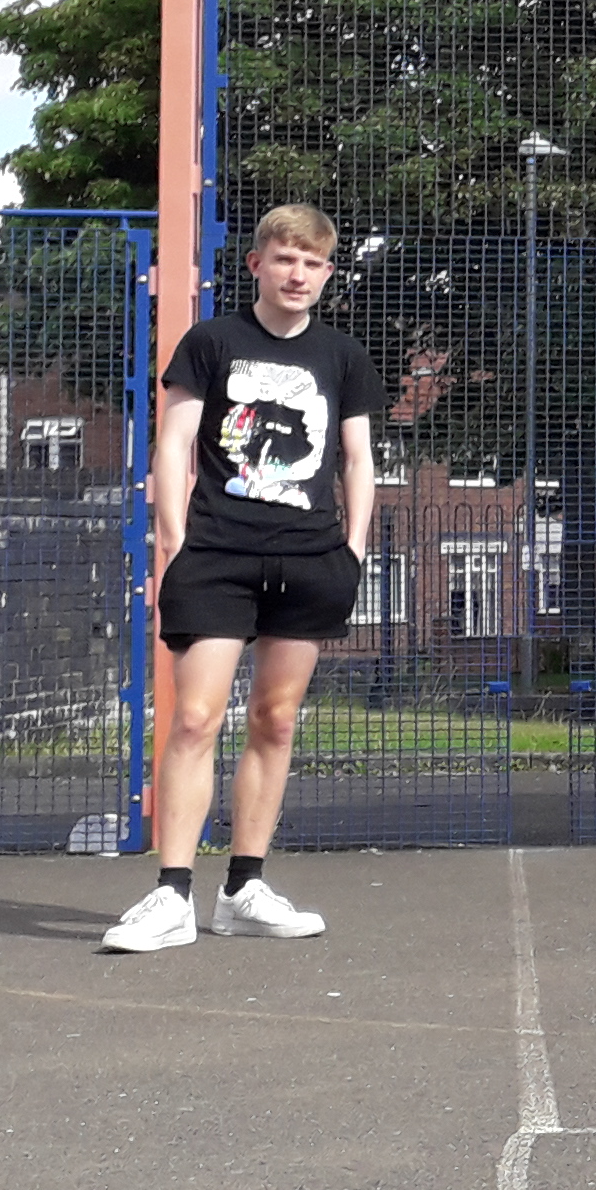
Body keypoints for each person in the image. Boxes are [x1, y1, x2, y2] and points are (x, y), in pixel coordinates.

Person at [104, 205, 384, 954]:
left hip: (310, 557)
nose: (298, 274)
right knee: (195, 718)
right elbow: (174, 444)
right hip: (218, 555)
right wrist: (174, 541)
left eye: (313, 263)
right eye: (285, 259)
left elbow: (357, 460)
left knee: (276, 719)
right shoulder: (211, 343)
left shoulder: (343, 357)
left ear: (328, 274)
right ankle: (170, 894)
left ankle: (244, 888)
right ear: (257, 264)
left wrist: (352, 548)